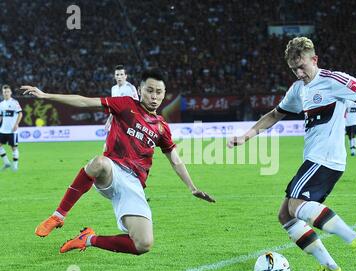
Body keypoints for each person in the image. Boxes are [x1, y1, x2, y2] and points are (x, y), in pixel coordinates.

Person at [228, 37, 356, 271]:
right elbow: (274, 114)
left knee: (295, 205)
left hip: (325, 158)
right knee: (285, 215)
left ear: (315, 59)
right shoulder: (298, 89)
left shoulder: (334, 80)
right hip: (316, 158)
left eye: (302, 66)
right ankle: (331, 268)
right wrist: (246, 136)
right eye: (294, 69)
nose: (299, 73)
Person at [23, 68, 215, 255]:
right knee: (99, 162)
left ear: (164, 95)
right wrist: (46, 95)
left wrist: (192, 187)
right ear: (140, 91)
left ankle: (88, 239)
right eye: (149, 91)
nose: (154, 96)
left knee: (143, 244)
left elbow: (175, 159)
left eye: (159, 92)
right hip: (112, 171)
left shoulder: (162, 127)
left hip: (133, 185)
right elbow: (84, 101)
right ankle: (58, 216)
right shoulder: (125, 104)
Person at [103, 65, 139, 152]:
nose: (119, 77)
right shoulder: (113, 89)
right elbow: (113, 107)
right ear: (114, 76)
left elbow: (137, 106)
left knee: (128, 148)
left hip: (128, 122)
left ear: (125, 76)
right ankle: (106, 163)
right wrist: (109, 121)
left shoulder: (130, 88)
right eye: (117, 74)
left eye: (121, 74)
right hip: (116, 121)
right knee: (107, 146)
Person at [0, 85, 23, 172]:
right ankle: (6, 163)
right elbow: (1, 116)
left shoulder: (14, 102)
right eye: (4, 92)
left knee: (13, 148)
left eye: (7, 92)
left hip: (12, 130)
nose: (6, 93)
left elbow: (20, 114)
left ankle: (15, 166)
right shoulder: (1, 104)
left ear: (11, 92)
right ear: (2, 93)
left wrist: (16, 124)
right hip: (3, 130)